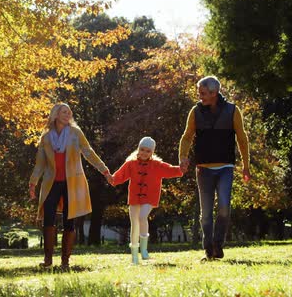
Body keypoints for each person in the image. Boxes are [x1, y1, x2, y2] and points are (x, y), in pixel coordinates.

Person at [29, 102, 113, 269]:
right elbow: (40, 164)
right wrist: (33, 183)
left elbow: (88, 152)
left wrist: (104, 170)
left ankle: (65, 261)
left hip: (72, 182)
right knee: (48, 219)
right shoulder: (46, 138)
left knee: (69, 221)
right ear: (55, 115)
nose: (67, 115)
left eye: (69, 112)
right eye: (64, 112)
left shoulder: (76, 133)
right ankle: (48, 260)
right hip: (51, 183)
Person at [179, 76, 250, 261]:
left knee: (224, 207)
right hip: (203, 168)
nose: (199, 96)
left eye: (203, 93)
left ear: (214, 93)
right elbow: (187, 137)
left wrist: (246, 165)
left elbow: (242, 139)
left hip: (225, 166)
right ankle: (209, 250)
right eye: (199, 92)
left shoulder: (232, 111)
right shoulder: (195, 112)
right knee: (206, 214)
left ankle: (218, 244)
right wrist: (183, 157)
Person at [112, 137, 183, 264]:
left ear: (152, 152)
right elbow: (119, 176)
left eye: (148, 151)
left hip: (150, 196)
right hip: (134, 196)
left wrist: (181, 168)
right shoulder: (130, 163)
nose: (144, 153)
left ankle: (144, 250)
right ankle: (134, 256)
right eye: (142, 149)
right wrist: (111, 178)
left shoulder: (156, 165)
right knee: (134, 223)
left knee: (142, 216)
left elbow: (171, 169)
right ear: (138, 149)